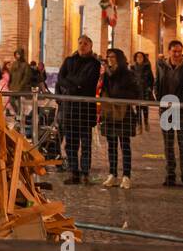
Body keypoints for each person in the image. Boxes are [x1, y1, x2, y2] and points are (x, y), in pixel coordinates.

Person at [55, 35, 101, 185]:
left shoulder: (94, 63)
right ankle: (74, 172)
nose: (82, 45)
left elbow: (87, 82)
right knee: (71, 144)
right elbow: (60, 78)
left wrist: (70, 83)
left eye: (85, 43)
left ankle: (85, 173)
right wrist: (75, 85)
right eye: (80, 42)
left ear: (90, 46)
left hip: (85, 110)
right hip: (70, 109)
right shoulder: (69, 61)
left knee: (86, 143)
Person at [154, 38, 183, 187]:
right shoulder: (161, 66)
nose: (177, 54)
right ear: (169, 51)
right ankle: (170, 175)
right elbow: (157, 84)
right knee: (168, 144)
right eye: (174, 51)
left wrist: (182, 102)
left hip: (182, 110)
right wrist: (160, 100)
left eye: (179, 51)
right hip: (165, 110)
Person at [99, 48, 140, 189]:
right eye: (108, 56)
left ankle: (126, 176)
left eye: (113, 57)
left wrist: (117, 95)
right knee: (111, 145)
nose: (110, 59)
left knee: (125, 145)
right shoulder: (106, 74)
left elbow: (135, 92)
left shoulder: (128, 74)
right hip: (110, 113)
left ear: (119, 58)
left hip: (124, 113)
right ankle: (112, 174)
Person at [131, 51, 154, 131]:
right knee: (138, 108)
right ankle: (139, 125)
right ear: (135, 58)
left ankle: (146, 122)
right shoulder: (132, 67)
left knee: (145, 107)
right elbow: (131, 79)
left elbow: (151, 79)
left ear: (144, 58)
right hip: (137, 90)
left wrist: (150, 87)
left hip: (145, 90)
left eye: (141, 56)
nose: (139, 58)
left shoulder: (147, 67)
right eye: (137, 56)